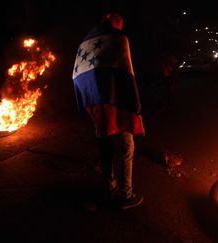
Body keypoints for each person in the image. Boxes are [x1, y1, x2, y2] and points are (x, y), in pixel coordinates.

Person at [72, 12, 145, 209]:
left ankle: (109, 187)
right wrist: (133, 104)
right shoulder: (119, 38)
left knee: (105, 145)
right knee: (125, 148)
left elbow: (76, 76)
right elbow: (125, 73)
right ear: (117, 25)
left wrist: (85, 101)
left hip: (94, 104)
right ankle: (124, 195)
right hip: (114, 103)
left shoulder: (84, 43)